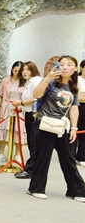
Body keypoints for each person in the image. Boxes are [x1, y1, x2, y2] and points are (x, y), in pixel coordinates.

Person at [26, 56, 85, 202]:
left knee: (68, 159)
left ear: (75, 69)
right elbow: (36, 94)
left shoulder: (73, 87)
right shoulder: (51, 82)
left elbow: (74, 108)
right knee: (42, 158)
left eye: (69, 65)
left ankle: (76, 190)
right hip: (45, 124)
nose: (65, 67)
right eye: (62, 64)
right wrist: (47, 78)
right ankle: (36, 188)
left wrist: (74, 128)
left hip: (63, 127)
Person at [13, 61, 42, 179]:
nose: (25, 72)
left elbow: (37, 97)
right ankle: (32, 168)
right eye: (23, 70)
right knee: (31, 142)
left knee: (35, 143)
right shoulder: (28, 82)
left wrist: (21, 103)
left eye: (27, 69)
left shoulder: (36, 80)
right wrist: (21, 107)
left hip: (36, 115)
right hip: (29, 113)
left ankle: (31, 169)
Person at [0, 61, 26, 163]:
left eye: (19, 71)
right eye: (15, 70)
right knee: (3, 130)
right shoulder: (5, 81)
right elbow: (0, 95)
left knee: (18, 131)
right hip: (7, 107)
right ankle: (1, 153)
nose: (17, 73)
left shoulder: (25, 82)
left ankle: (17, 154)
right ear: (12, 69)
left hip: (19, 108)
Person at [76, 60, 85, 166]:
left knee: (83, 132)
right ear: (81, 68)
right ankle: (70, 154)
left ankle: (81, 156)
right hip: (78, 107)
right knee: (75, 129)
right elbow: (77, 97)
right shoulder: (77, 80)